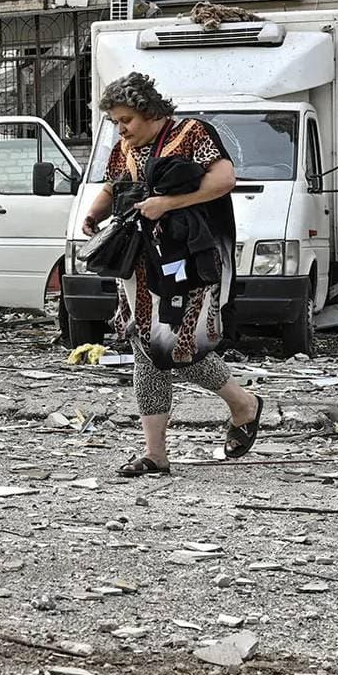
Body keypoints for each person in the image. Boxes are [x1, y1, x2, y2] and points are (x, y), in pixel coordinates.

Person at [80, 72, 262, 476]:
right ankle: (155, 454)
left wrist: (167, 203)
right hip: (138, 265)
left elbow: (224, 179)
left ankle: (244, 404)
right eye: (115, 122)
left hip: (187, 261)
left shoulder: (192, 134)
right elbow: (113, 186)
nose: (121, 129)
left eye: (126, 119)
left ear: (149, 111)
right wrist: (94, 212)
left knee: (175, 349)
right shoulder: (125, 148)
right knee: (147, 349)